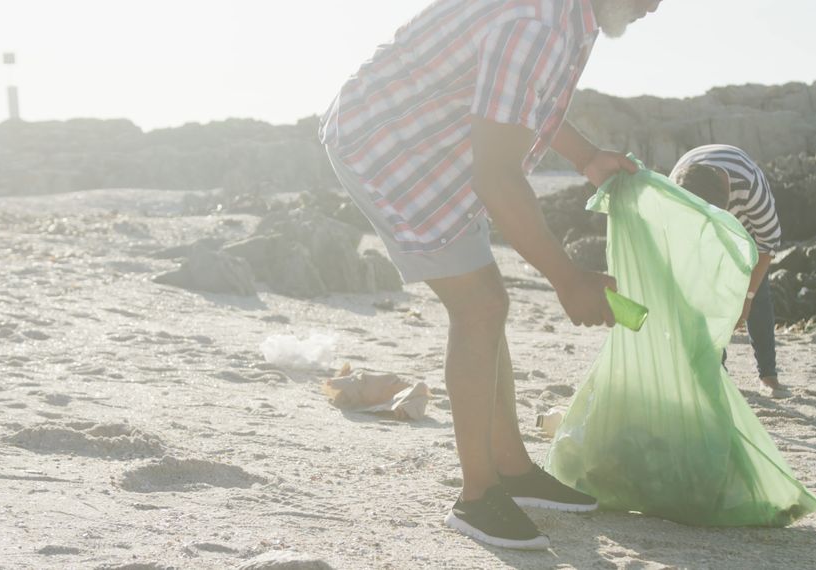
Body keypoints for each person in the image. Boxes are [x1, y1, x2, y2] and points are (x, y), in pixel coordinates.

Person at [320, 0, 663, 550]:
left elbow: (528, 101)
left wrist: (585, 157)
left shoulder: (580, 16)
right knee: (479, 305)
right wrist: (568, 279)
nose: (655, 5)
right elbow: (497, 175)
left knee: (487, 302)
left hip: (442, 136)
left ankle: (512, 468)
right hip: (387, 142)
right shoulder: (538, 26)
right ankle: (478, 495)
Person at [669, 144, 783, 392]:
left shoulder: (750, 186)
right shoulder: (677, 191)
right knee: (703, 294)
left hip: (751, 234)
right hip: (697, 232)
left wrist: (747, 296)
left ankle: (768, 375)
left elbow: (768, 245)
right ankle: (716, 370)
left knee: (758, 294)